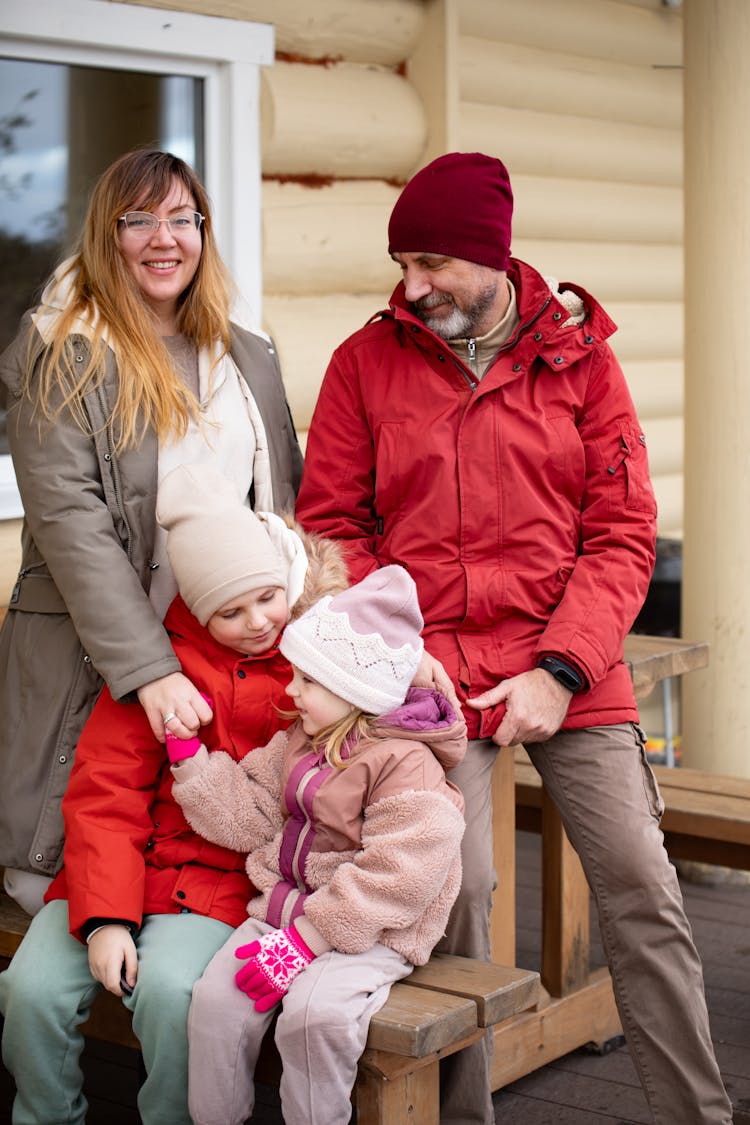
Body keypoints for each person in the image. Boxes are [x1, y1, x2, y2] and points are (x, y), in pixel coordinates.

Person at [294, 152, 733, 1125]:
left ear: (494, 258)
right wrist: (404, 658)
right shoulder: (365, 364)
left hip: (569, 664)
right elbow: (333, 526)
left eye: (434, 264)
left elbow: (621, 534)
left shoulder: (583, 361)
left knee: (641, 884)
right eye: (403, 263)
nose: (413, 287)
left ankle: (696, 1114)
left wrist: (562, 670)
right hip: (427, 669)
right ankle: (465, 1116)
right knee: (455, 886)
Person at [0, 148, 303, 915]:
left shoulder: (247, 354)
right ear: (108, 234)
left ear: (203, 231)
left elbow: (285, 508)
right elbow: (71, 522)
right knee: (55, 883)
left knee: (213, 854)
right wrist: (150, 668)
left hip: (225, 643)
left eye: (181, 218)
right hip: (99, 651)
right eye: (139, 220)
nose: (163, 238)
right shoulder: (62, 349)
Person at [0, 463, 347, 1125]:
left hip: (217, 885)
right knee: (32, 989)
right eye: (230, 610)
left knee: (171, 993)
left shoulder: (312, 674)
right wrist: (104, 918)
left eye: (268, 599)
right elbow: (106, 790)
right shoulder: (161, 671)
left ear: (291, 585)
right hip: (113, 872)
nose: (256, 623)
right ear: (195, 604)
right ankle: (46, 1114)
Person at [168, 565, 466, 1125]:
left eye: (307, 680)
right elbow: (255, 815)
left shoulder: (408, 765)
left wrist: (306, 941)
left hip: (369, 933)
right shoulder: (302, 739)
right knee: (215, 1002)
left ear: (354, 689)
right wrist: (193, 769)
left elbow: (398, 876)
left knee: (314, 1017)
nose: (291, 689)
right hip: (285, 913)